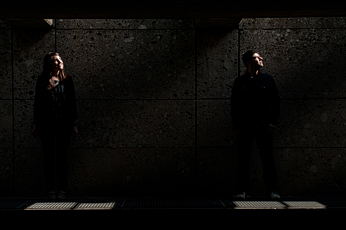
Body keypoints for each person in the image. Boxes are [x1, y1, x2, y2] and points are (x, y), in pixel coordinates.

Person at [231, 50, 280, 200]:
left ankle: (272, 190)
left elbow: (276, 102)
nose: (261, 58)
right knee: (243, 159)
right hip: (246, 126)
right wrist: (236, 127)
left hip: (264, 126)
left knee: (268, 159)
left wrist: (273, 122)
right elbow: (235, 106)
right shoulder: (240, 82)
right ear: (249, 62)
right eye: (257, 57)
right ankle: (241, 190)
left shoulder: (268, 80)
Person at [32, 52, 78, 200]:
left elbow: (72, 104)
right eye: (55, 61)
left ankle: (62, 190)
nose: (59, 62)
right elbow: (38, 103)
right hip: (47, 124)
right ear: (49, 64)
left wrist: (74, 124)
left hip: (63, 124)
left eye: (59, 60)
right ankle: (51, 190)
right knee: (49, 158)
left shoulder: (67, 80)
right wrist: (36, 123)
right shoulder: (43, 80)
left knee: (62, 158)